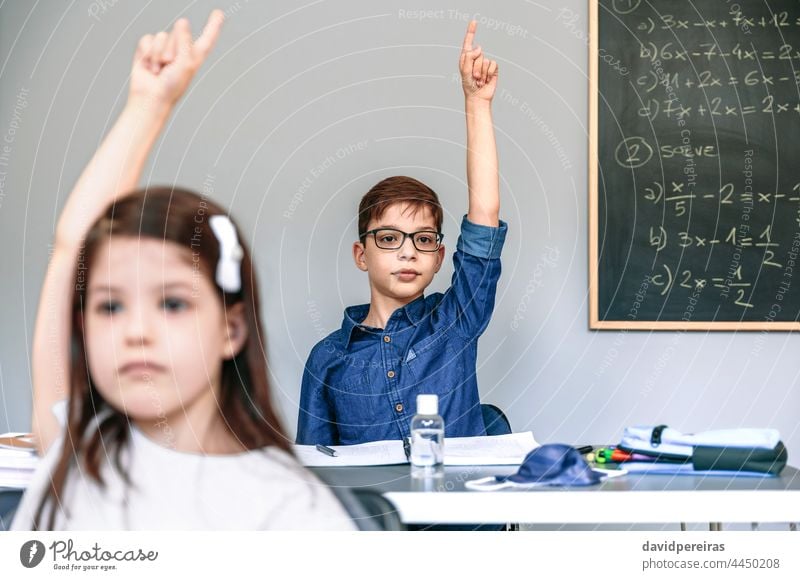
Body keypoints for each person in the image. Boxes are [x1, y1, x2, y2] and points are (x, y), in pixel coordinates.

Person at [14, 11, 353, 530]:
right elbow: (70, 254)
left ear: (231, 328)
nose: (136, 331)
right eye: (109, 306)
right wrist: (147, 106)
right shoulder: (73, 456)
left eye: (172, 303)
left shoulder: (290, 512)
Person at [297, 21, 506, 446]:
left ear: (439, 258)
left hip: (459, 512)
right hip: (378, 515)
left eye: (423, 240)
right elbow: (316, 471)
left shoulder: (456, 322)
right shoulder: (329, 359)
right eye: (390, 238)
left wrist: (476, 103)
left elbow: (485, 213)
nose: (408, 253)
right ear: (362, 254)